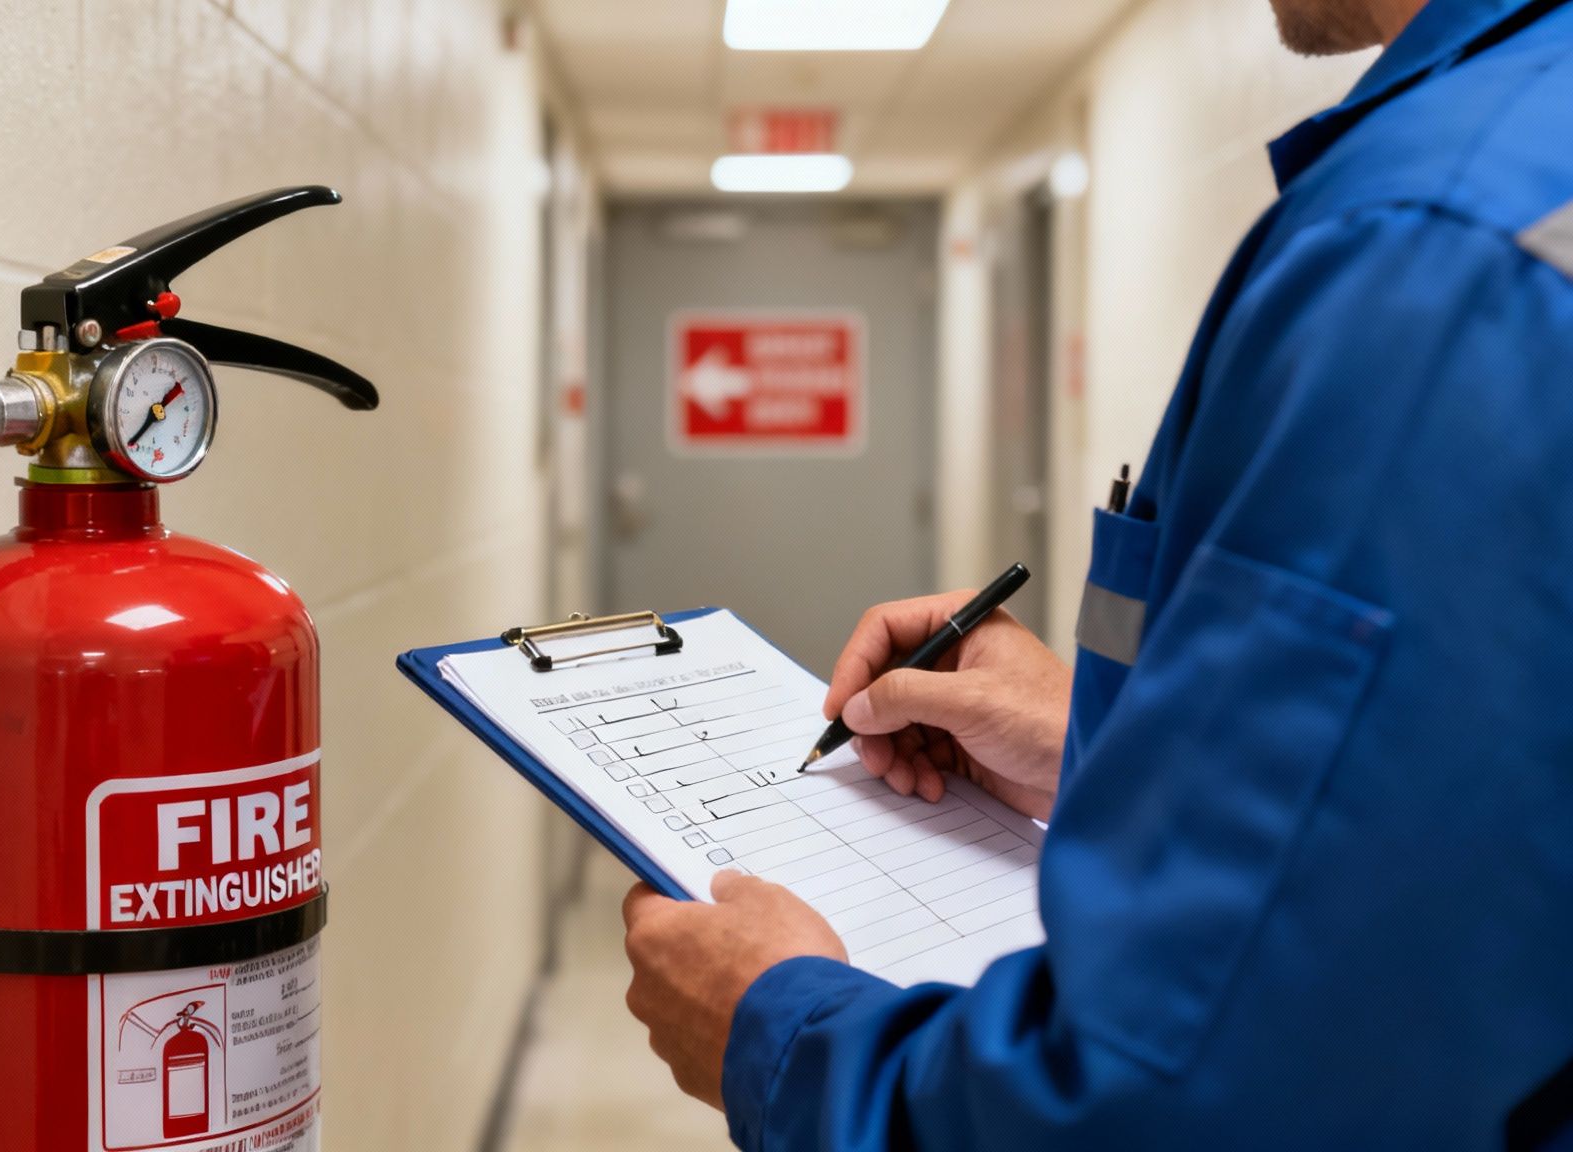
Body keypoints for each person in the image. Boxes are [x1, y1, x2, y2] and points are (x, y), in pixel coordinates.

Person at [619, 0, 1573, 1147]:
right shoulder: (1513, 163)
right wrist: (1099, 744)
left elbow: (1204, 1088)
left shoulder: (1428, 244)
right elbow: (1473, 803)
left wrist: (779, 1034)